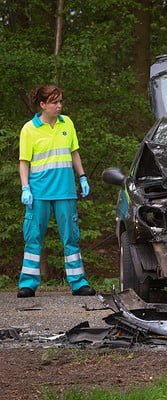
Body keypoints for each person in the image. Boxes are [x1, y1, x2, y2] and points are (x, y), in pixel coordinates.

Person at [17, 84, 96, 298]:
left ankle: (78, 283)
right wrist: (25, 188)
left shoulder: (67, 123)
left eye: (60, 101)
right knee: (33, 237)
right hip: (39, 192)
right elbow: (24, 162)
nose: (59, 105)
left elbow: (74, 153)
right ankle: (28, 284)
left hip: (65, 191)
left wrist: (82, 177)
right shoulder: (29, 129)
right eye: (54, 102)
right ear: (43, 105)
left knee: (71, 237)